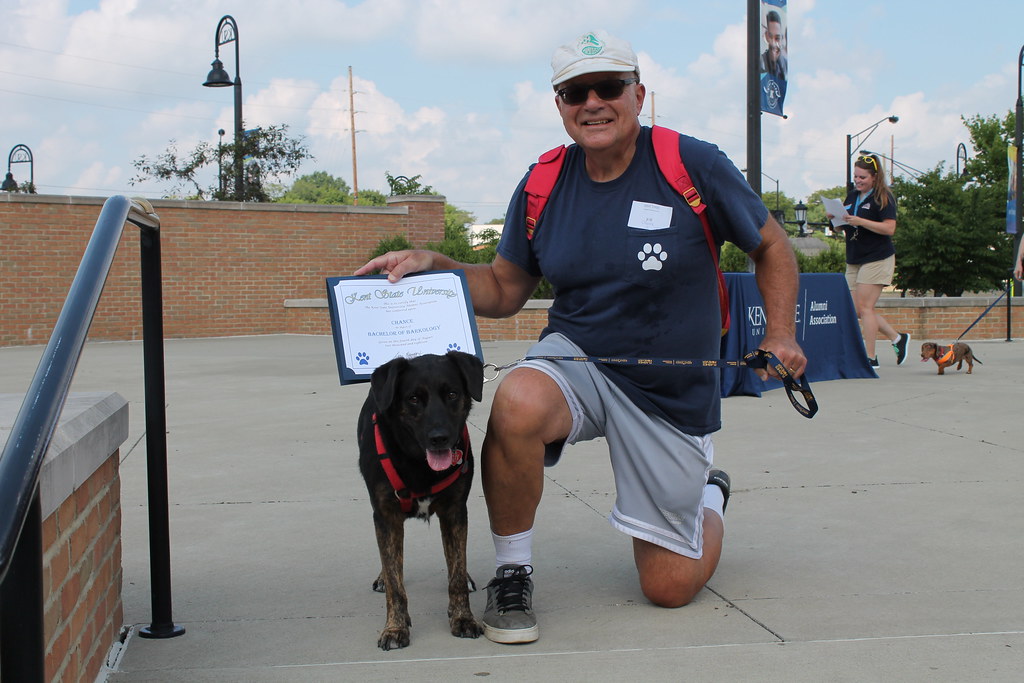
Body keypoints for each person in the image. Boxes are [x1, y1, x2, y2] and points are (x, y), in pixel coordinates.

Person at [355, 29, 806, 644]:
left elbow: (772, 246)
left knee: (669, 587)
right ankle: (512, 574)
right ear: (560, 105)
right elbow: (505, 287)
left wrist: (781, 333)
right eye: (575, 92)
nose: (592, 102)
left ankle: (709, 497)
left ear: (638, 95)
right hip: (579, 361)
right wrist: (438, 265)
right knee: (516, 399)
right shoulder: (543, 182)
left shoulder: (691, 163)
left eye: (608, 87)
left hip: (668, 390)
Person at [834, 153, 910, 367]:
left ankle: (870, 357)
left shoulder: (883, 198)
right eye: (856, 177)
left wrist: (861, 221)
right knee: (857, 309)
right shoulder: (852, 196)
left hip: (877, 257)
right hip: (854, 257)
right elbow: (842, 226)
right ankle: (897, 337)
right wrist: (834, 219)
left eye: (863, 177)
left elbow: (889, 228)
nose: (858, 181)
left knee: (866, 307)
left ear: (875, 177)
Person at [759, 10, 788, 116]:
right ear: (766, 36)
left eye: (777, 38)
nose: (774, 43)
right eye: (771, 37)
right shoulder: (760, 63)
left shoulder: (784, 67)